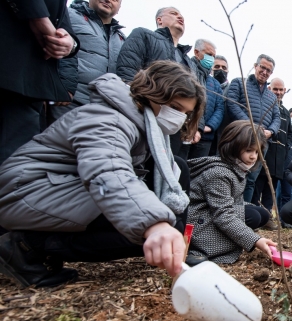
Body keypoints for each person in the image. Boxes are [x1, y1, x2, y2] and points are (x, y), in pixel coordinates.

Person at [0, 61, 206, 288]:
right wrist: (156, 225)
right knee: (139, 228)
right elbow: (108, 172)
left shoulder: (145, 127)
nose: (179, 118)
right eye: (175, 108)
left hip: (59, 187)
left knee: (177, 168)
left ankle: (177, 248)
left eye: (185, 113)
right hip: (27, 190)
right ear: (154, 93)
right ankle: (26, 245)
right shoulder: (109, 119)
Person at [185, 120, 277, 265]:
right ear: (232, 147)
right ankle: (199, 250)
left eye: (257, 151)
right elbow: (223, 214)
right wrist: (255, 240)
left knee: (262, 214)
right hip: (198, 222)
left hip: (210, 211)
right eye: (248, 150)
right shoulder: (219, 173)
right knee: (253, 216)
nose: (253, 156)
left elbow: (234, 201)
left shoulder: (236, 169)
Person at [1, 0, 80, 165]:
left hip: (31, 87)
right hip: (8, 70)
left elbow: (63, 24)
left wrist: (69, 44)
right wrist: (39, 17)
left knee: (14, 166)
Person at [115, 7, 197, 158]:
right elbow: (127, 71)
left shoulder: (188, 61)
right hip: (143, 118)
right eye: (174, 14)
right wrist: (138, 109)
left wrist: (194, 125)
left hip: (174, 127)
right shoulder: (144, 35)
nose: (180, 18)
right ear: (159, 20)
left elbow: (196, 97)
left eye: (182, 16)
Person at [50, 0, 126, 121]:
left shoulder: (121, 38)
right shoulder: (69, 15)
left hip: (104, 112)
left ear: (119, 7)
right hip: (68, 101)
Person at [226, 54, 281, 202]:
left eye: (268, 70)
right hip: (241, 137)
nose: (264, 72)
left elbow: (277, 117)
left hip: (262, 142)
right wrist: (252, 127)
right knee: (232, 175)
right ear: (255, 66)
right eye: (262, 67)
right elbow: (232, 105)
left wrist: (271, 131)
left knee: (250, 179)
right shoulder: (239, 83)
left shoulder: (272, 97)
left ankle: (244, 216)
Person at [253, 78, 292, 230]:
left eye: (280, 90)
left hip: (279, 157)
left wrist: (286, 148)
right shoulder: (265, 107)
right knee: (258, 185)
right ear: (269, 89)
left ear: (284, 91)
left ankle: (267, 217)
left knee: (272, 188)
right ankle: (255, 217)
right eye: (275, 89)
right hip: (265, 152)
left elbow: (289, 134)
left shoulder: (286, 112)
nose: (278, 92)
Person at [187, 39, 224, 159]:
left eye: (213, 56)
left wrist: (208, 127)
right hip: (186, 130)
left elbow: (220, 108)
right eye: (209, 55)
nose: (211, 59)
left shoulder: (215, 84)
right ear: (197, 52)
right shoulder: (187, 70)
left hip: (206, 136)